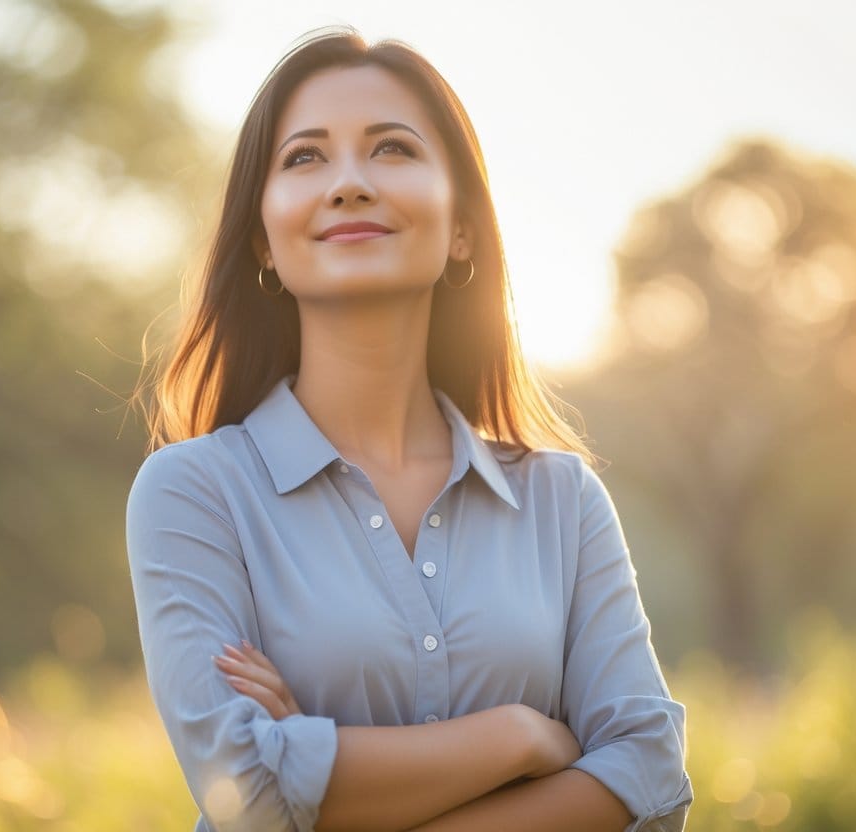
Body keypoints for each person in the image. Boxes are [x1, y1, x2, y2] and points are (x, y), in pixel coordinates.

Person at [125, 27, 691, 832]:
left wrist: (321, 774)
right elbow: (245, 791)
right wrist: (522, 736)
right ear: (263, 238)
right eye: (305, 158)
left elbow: (649, 774)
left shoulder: (562, 500)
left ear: (461, 227)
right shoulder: (192, 493)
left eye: (391, 150)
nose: (349, 184)